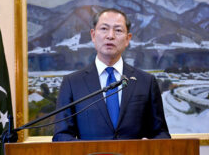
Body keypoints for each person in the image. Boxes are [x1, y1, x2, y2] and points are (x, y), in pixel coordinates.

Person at [52, 8, 170, 141]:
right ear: (93, 35)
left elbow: (162, 134)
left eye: (118, 30)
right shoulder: (72, 83)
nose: (110, 36)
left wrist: (147, 148)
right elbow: (61, 136)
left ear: (127, 39)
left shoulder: (146, 82)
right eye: (104, 29)